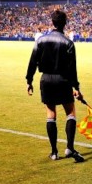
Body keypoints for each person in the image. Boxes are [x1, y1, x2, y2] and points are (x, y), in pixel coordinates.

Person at [25, 10, 85, 163]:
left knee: (51, 114)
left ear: (52, 22)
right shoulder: (68, 43)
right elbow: (73, 69)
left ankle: (53, 152)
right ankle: (70, 148)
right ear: (65, 23)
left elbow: (32, 61)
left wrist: (29, 80)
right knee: (70, 113)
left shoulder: (40, 40)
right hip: (63, 79)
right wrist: (76, 87)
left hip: (46, 79)